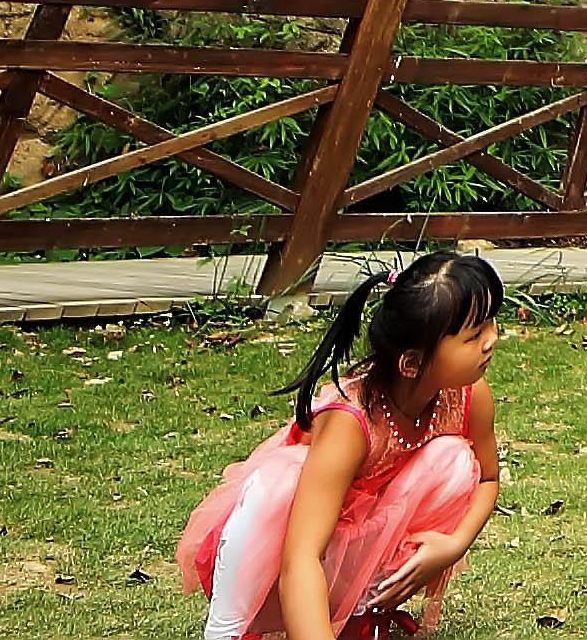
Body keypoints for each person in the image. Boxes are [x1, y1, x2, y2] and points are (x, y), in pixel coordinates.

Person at [178, 247, 506, 640]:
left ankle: (360, 611)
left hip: (356, 545)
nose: (490, 341)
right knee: (281, 480)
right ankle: (227, 631)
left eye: (489, 323)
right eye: (473, 335)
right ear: (411, 363)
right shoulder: (350, 421)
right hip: (276, 556)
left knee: (454, 461)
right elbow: (301, 558)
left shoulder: (470, 396)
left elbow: (487, 479)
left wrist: (453, 546)